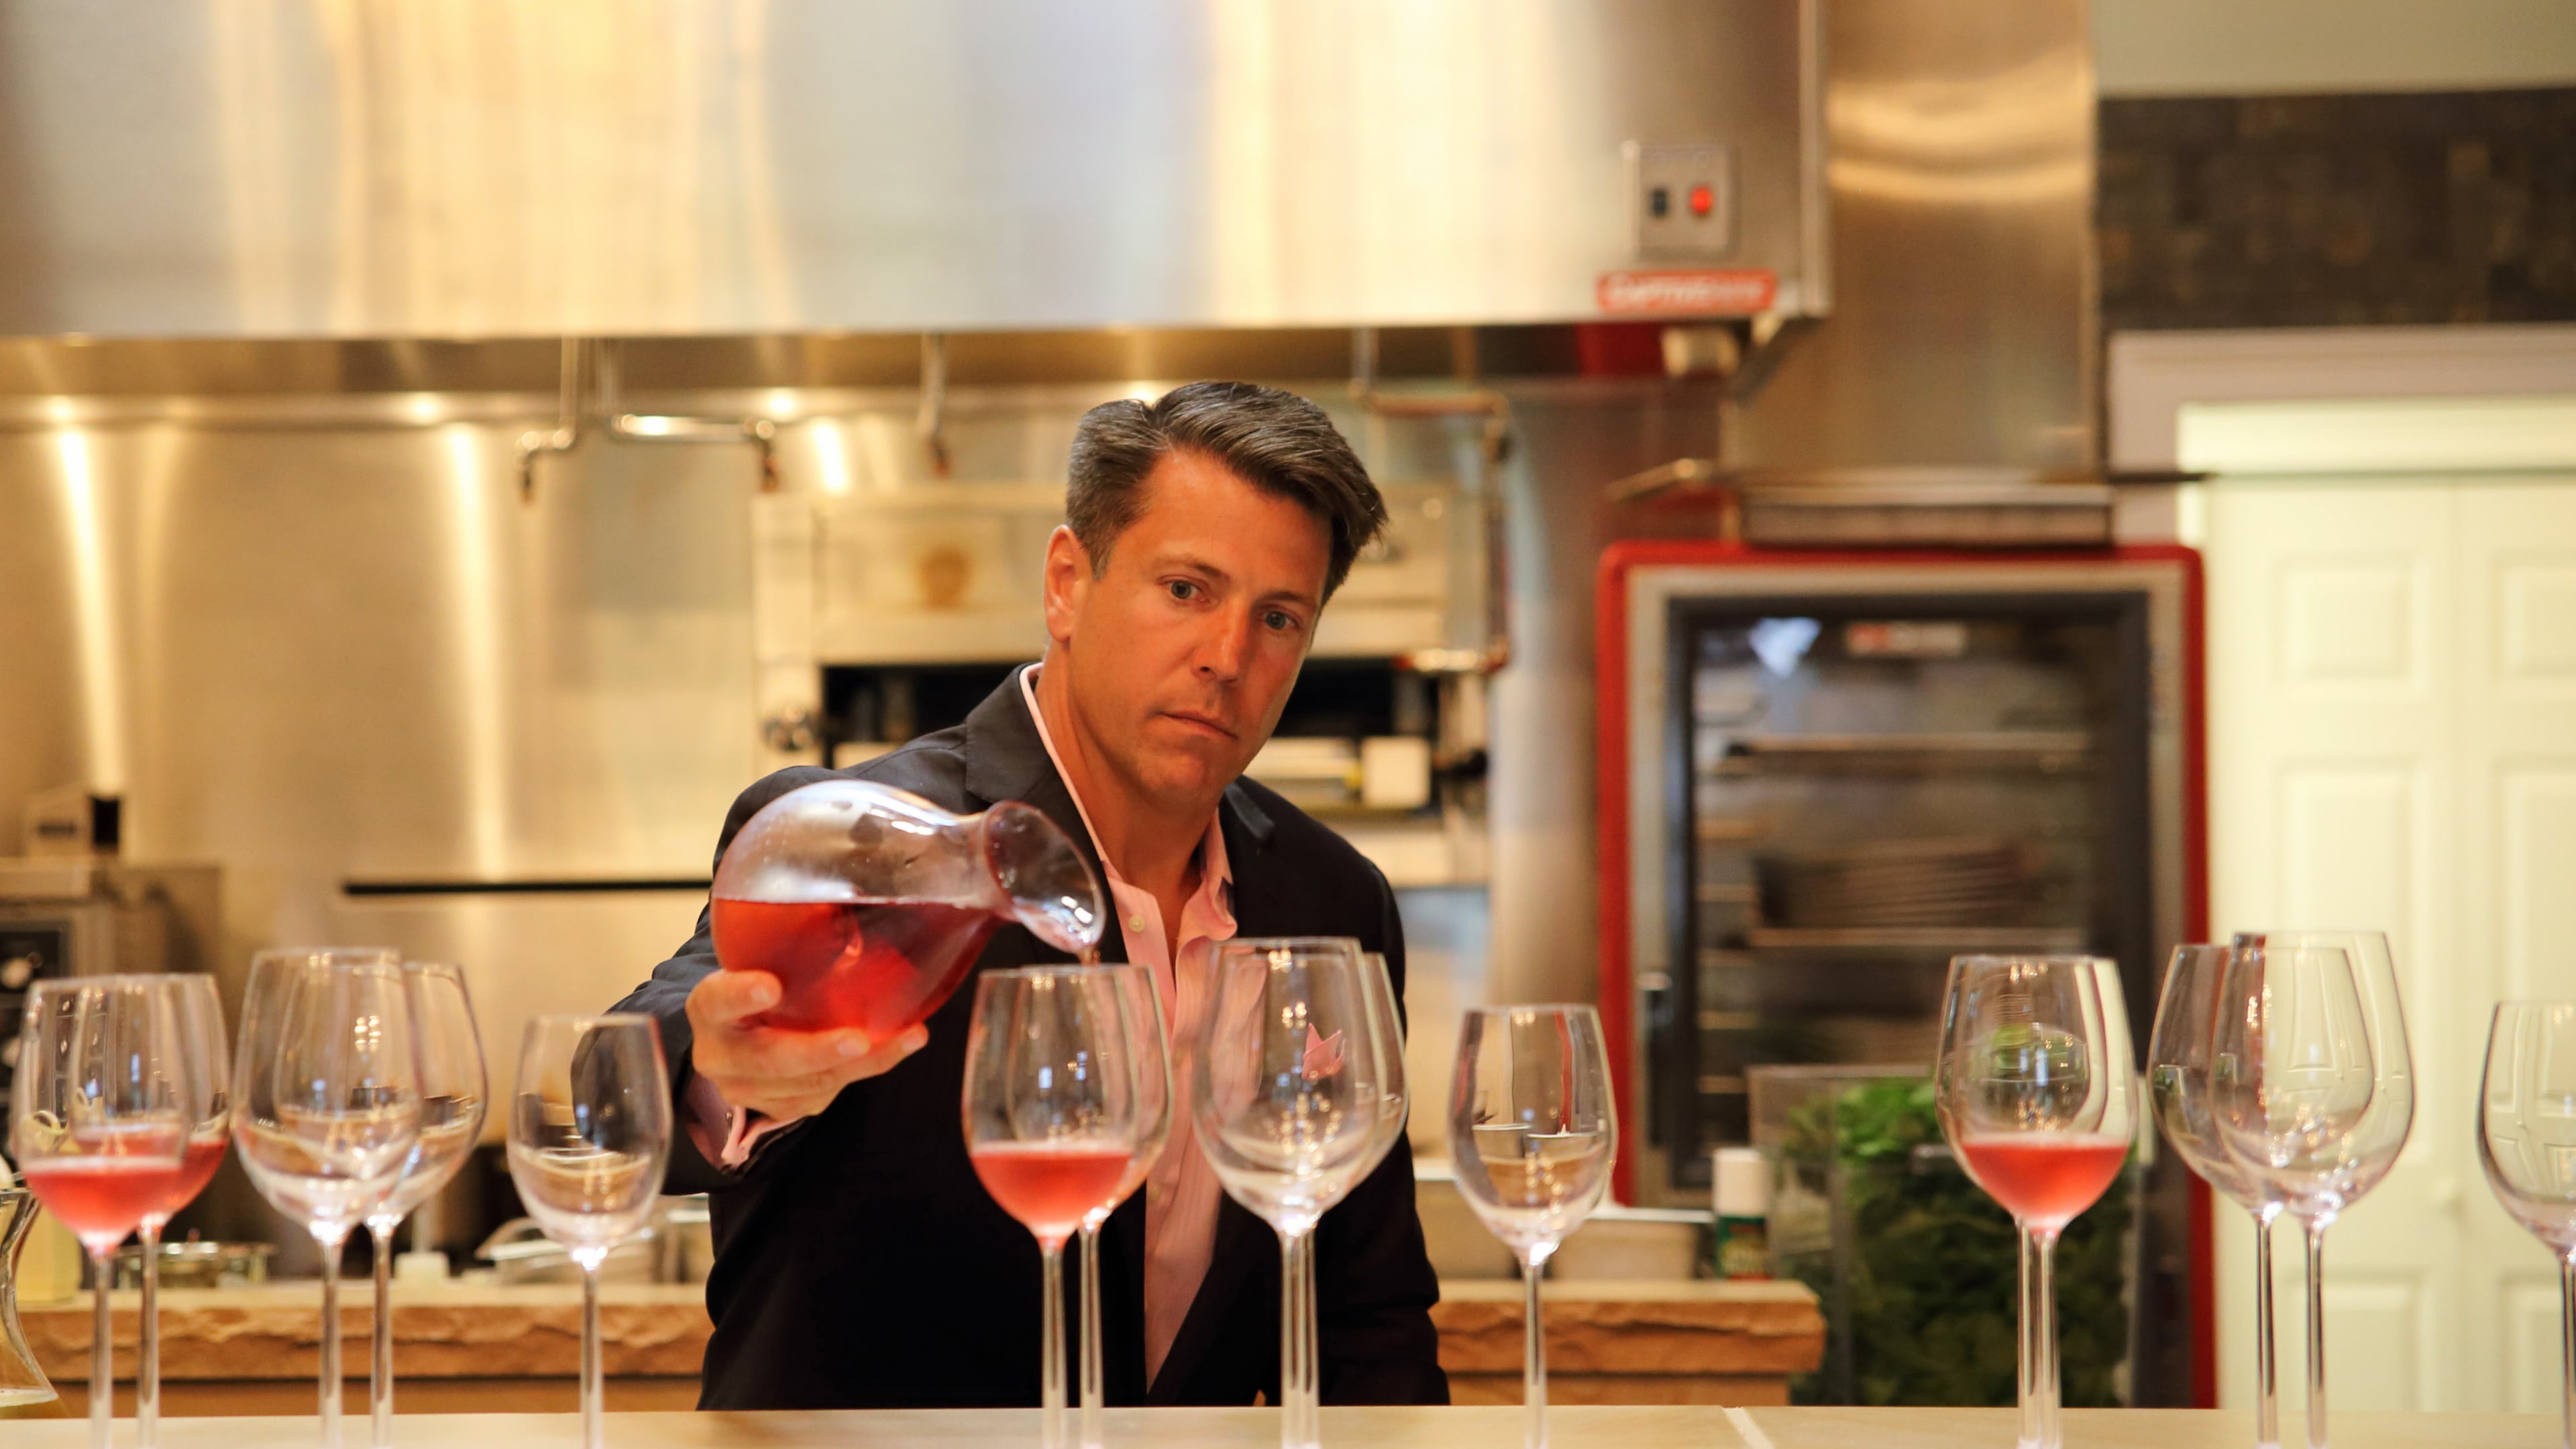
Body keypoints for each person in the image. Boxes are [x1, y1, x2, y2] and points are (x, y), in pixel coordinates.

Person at [614, 380, 1448, 1409]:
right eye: (1186, 589)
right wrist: (718, 1070)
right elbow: (616, 1082)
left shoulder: (1333, 900)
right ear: (1067, 582)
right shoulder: (868, 837)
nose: (1228, 658)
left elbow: (1371, 1312)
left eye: (1279, 617)